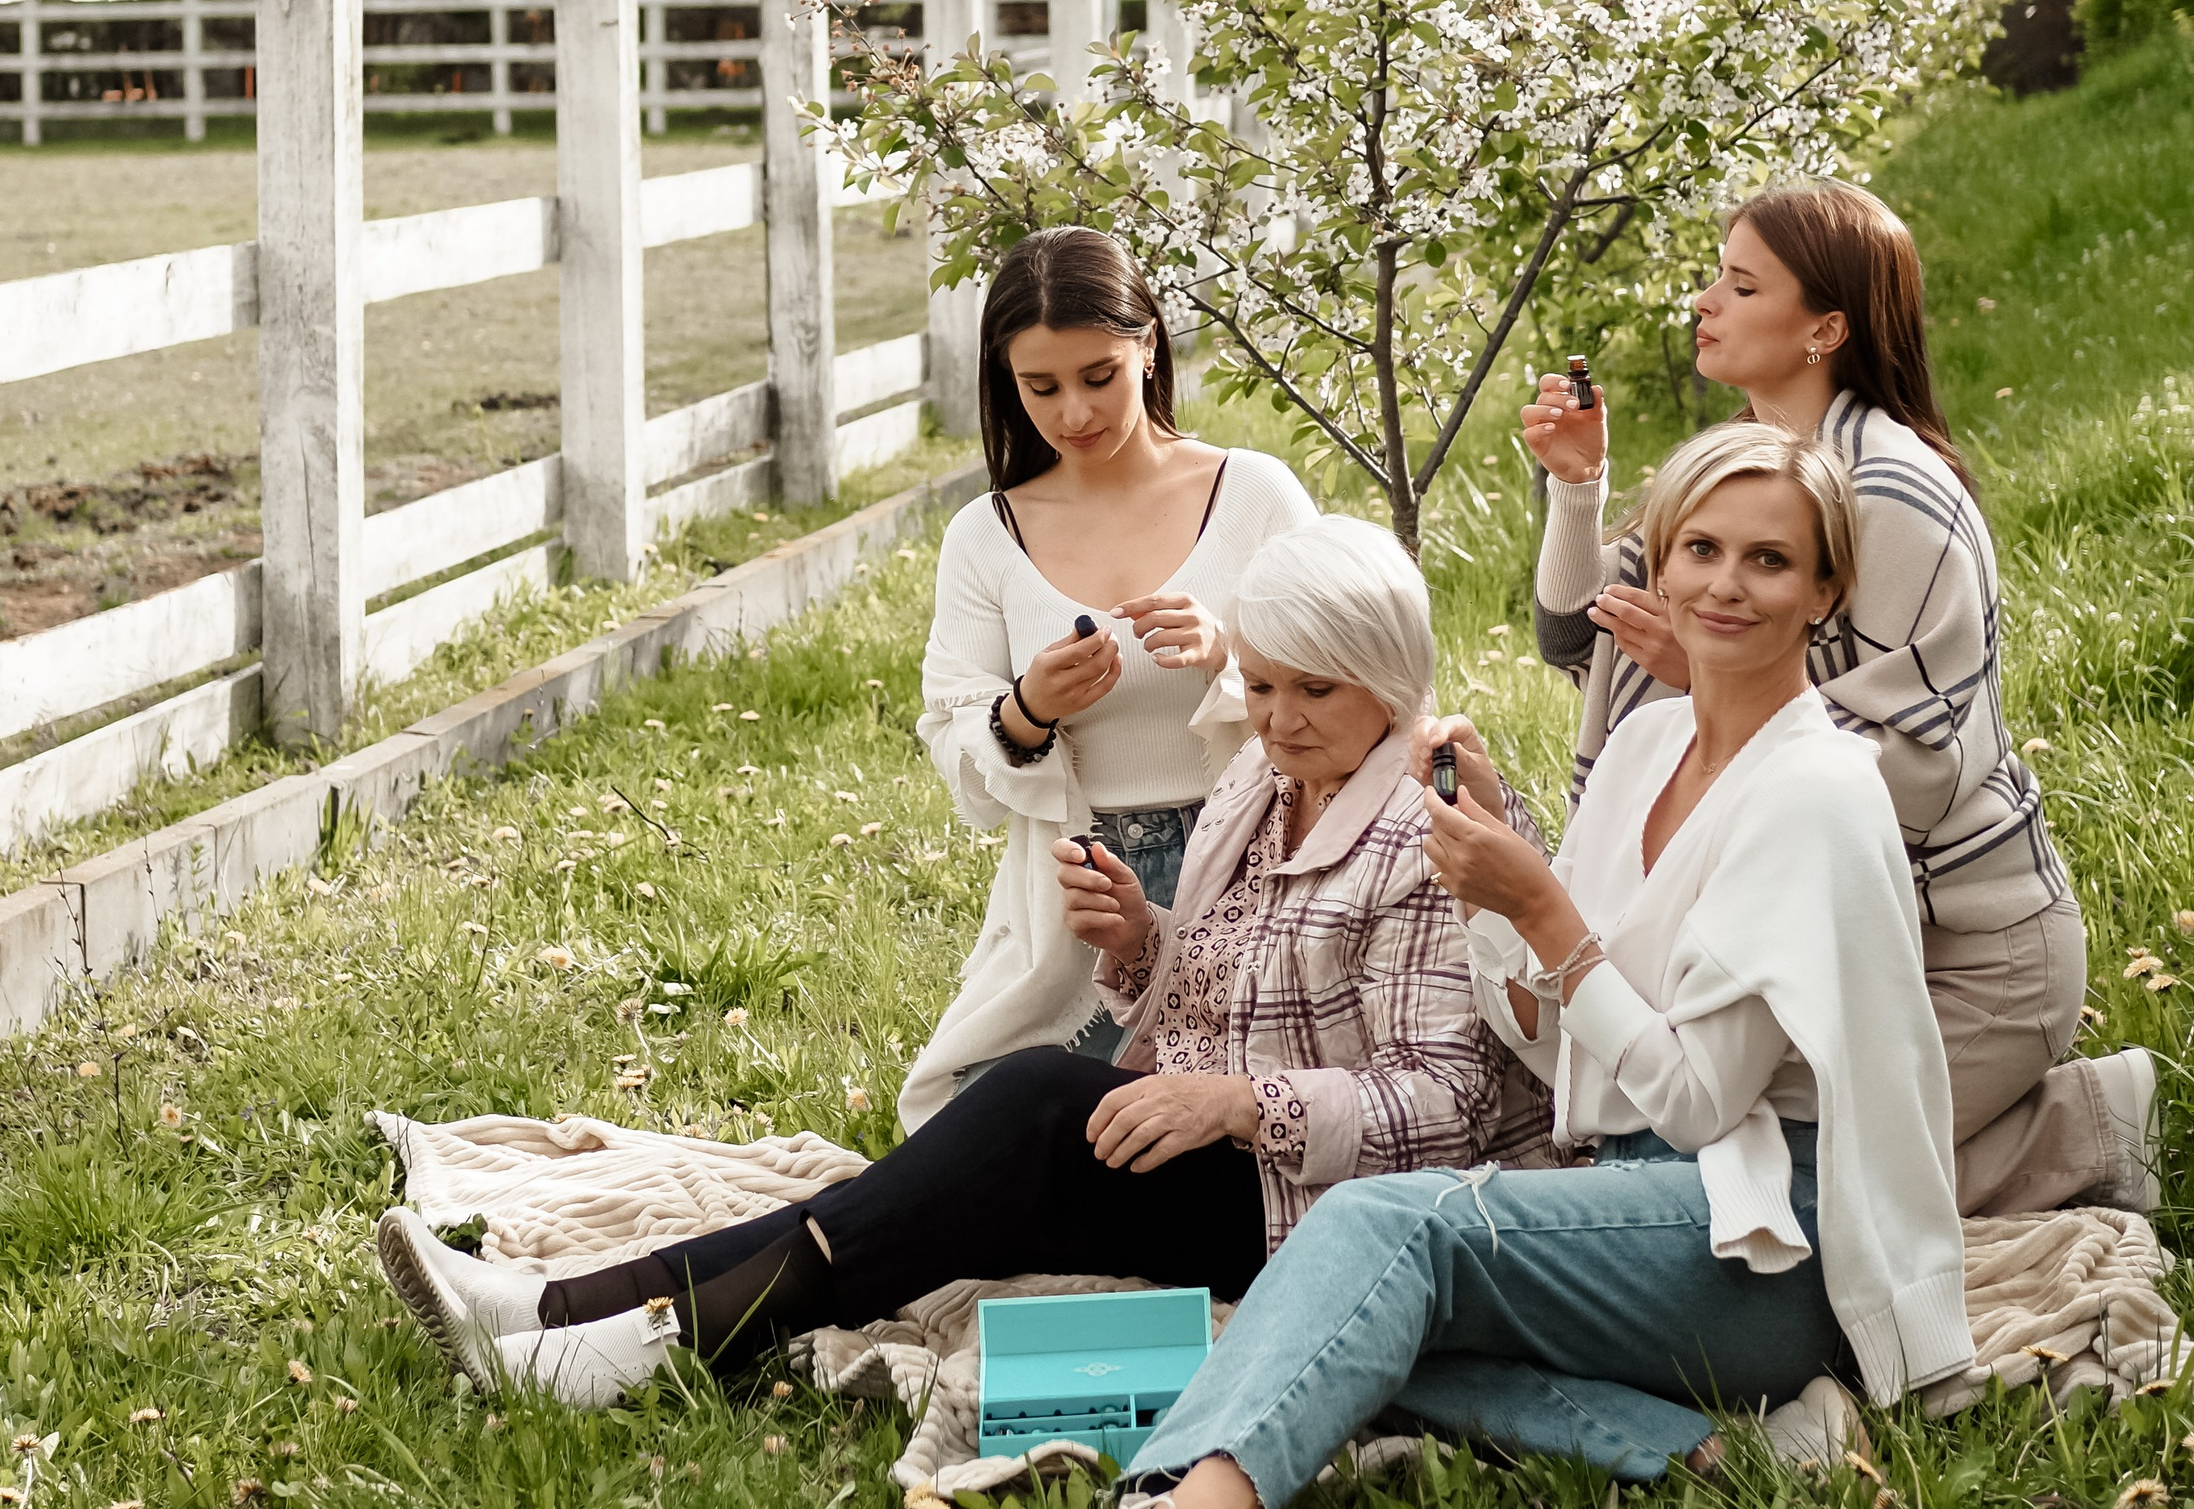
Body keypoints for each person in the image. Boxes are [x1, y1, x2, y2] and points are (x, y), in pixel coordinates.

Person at [987, 424, 1976, 1509]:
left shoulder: (1816, 793)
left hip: (1764, 1233)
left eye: (1769, 559)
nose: (1726, 583)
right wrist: (1497, 899)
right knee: (1336, 1319)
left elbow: (1693, 1102)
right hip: (1629, 1187)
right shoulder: (1651, 742)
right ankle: (1730, 1445)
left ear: (1826, 585)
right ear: (1658, 565)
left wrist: (1538, 905)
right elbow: (1550, 1038)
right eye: (1701, 548)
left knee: (1373, 1231)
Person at [373, 517, 1552, 1409]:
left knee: (1028, 1106)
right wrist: (1141, 939)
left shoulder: (1431, 833)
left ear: (1392, 683)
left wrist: (1234, 1100)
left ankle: (616, 1341)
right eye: (1261, 683)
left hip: (1325, 1207)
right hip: (1223, 1148)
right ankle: (570, 1315)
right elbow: (1243, 984)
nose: (1278, 716)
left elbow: (1446, 1107)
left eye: (1315, 690)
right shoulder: (1266, 778)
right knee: (925, 1192)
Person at [1525, 182, 2151, 1219]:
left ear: (1823, 327)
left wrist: (1708, 678)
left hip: (1963, 951)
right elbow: (1571, 635)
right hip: (1804, 925)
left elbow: (1909, 769)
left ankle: (2077, 1125)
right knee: (1703, 1149)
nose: (1703, 300)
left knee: (1756, 1176)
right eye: (1712, 275)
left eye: (1739, 281)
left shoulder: (1893, 494)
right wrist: (1579, 487)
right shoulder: (1739, 471)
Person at [897, 227, 1317, 1125]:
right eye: (1039, 387)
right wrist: (1026, 710)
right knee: (996, 1122)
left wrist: (1234, 654)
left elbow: (1357, 685)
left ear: (1149, 346)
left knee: (1214, 1120)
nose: (1073, 413)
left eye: (1099, 376)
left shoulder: (1256, 494)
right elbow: (954, 737)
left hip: (1253, 867)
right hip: (1075, 891)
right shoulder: (986, 533)